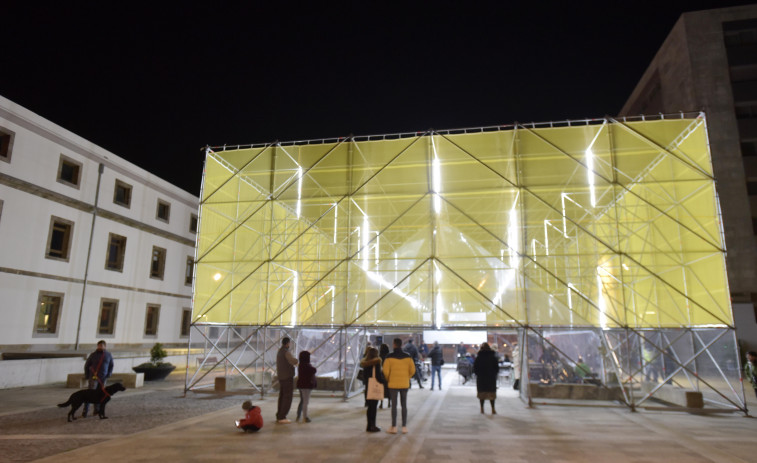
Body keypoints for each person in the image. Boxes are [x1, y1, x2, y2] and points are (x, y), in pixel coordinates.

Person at [383, 337, 415, 434]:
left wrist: (389, 379)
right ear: (401, 345)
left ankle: (394, 426)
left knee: (394, 406)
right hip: (404, 384)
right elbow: (413, 370)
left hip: (393, 384)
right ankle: (404, 426)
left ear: (394, 344)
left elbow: (385, 371)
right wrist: (407, 377)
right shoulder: (408, 356)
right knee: (404, 405)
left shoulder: (389, 357)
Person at [82, 340, 114, 418]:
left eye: (102, 346)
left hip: (103, 378)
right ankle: (85, 410)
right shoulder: (93, 355)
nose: (100, 347)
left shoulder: (108, 355)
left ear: (105, 346)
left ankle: (97, 409)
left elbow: (111, 365)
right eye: (99, 346)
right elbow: (87, 365)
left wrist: (109, 374)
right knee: (90, 394)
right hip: (94, 377)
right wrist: (87, 375)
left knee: (100, 394)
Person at [360, 346, 384, 432]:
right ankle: (373, 426)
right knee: (374, 408)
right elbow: (378, 377)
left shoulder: (365, 364)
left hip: (367, 387)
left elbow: (364, 376)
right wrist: (383, 381)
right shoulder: (376, 363)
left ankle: (368, 425)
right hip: (374, 387)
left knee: (369, 407)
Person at [276, 337, 299, 424]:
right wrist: (297, 360)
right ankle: (282, 416)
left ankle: (279, 415)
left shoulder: (279, 351)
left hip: (281, 377)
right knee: (287, 397)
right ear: (288, 343)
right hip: (287, 377)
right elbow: (293, 361)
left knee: (282, 396)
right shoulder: (286, 352)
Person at [473, 342, 499, 414]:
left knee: (482, 394)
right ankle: (493, 408)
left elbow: (475, 368)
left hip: (481, 378)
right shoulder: (493, 357)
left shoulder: (479, 357)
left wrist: (478, 374)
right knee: (491, 394)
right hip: (491, 378)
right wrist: (493, 374)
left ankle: (482, 408)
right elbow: (496, 368)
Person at [296, 350, 316, 423]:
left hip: (302, 385)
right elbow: (313, 370)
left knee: (303, 401)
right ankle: (305, 417)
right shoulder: (306, 365)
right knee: (305, 402)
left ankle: (299, 415)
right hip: (306, 386)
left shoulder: (301, 365)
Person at [379, 343, 391, 409]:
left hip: (381, 374)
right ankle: (389, 402)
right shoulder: (389, 356)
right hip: (388, 374)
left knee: (381, 389)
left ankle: (381, 403)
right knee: (388, 389)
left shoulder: (379, 356)